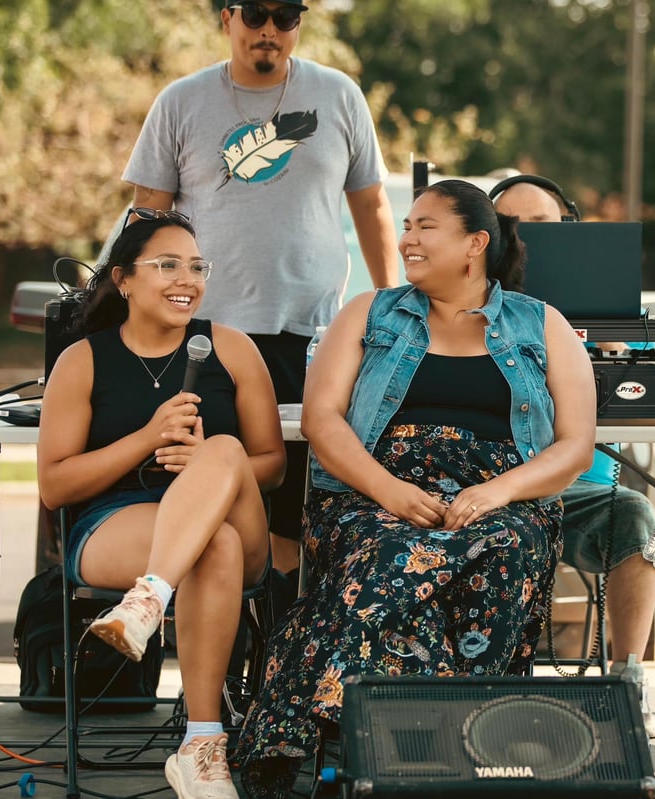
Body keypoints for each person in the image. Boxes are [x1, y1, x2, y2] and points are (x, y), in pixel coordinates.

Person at [239, 179, 596, 795]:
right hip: (370, 498)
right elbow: (322, 419)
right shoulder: (369, 312)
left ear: (475, 243)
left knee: (504, 546)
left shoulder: (542, 325)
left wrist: (500, 491)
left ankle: (303, 724)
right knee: (388, 550)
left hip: (498, 502)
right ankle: (441, 752)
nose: (406, 239)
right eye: (407, 225)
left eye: (425, 226)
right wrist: (387, 491)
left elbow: (574, 446)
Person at [121, 0, 400, 595]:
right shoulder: (180, 101)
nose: (269, 28)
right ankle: (226, 655)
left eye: (286, 14)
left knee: (300, 503)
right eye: (254, 13)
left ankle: (284, 651)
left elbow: (371, 206)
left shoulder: (339, 94)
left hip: (312, 335)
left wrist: (393, 304)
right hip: (204, 336)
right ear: (226, 18)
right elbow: (147, 218)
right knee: (213, 486)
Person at [36, 211, 286, 799]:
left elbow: (272, 463)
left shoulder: (232, 349)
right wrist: (146, 440)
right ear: (122, 279)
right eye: (167, 264)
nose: (188, 278)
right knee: (211, 548)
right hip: (121, 519)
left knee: (223, 449)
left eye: (197, 266)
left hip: (235, 514)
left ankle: (147, 602)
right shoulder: (83, 361)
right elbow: (55, 485)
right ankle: (202, 747)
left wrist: (206, 465)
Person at [492, 177, 655, 737]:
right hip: (488, 487)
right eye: (509, 225)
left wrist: (616, 355)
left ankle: (626, 682)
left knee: (639, 513)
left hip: (579, 493)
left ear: (568, 227)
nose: (523, 239)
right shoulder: (470, 303)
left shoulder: (610, 304)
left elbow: (653, 388)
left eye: (537, 225)